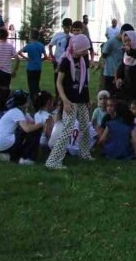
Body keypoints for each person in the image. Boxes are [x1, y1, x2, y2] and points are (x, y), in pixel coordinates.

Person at [46, 28, 94, 170]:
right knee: (67, 129)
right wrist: (65, 101)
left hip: (81, 100)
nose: (85, 53)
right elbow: (59, 83)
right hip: (69, 101)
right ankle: (53, 161)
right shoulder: (66, 61)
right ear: (75, 47)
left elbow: (84, 82)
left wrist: (87, 99)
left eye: (87, 50)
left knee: (85, 126)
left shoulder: (83, 59)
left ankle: (84, 153)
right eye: (83, 50)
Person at [0, 90, 44, 164]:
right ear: (22, 103)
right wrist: (41, 124)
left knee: (30, 128)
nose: (29, 102)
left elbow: (32, 122)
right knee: (34, 130)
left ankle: (8, 155)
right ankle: (27, 158)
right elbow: (27, 129)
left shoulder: (14, 110)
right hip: (6, 142)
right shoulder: (16, 112)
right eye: (27, 100)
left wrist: (35, 123)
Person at [20, 29, 45, 100]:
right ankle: (38, 96)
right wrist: (41, 60)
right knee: (36, 84)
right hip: (38, 68)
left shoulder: (28, 46)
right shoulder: (41, 45)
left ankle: (33, 99)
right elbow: (45, 57)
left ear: (31, 36)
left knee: (31, 85)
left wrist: (26, 58)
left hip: (30, 68)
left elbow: (19, 52)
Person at [48, 18, 72, 86]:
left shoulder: (72, 36)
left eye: (69, 27)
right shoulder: (58, 35)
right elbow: (50, 45)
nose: (67, 29)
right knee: (57, 77)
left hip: (68, 60)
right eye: (65, 27)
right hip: (58, 60)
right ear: (63, 27)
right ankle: (57, 93)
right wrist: (52, 56)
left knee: (66, 77)